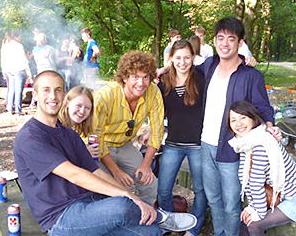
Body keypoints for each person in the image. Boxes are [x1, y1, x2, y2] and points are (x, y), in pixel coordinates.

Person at [14, 70, 197, 236]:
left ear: (64, 94)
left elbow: (95, 170)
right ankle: (160, 216)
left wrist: (128, 193)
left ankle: (156, 220)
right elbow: (75, 174)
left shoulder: (69, 133)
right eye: (46, 90)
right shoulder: (30, 137)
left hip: (89, 203)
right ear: (35, 95)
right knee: (122, 204)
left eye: (58, 90)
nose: (53, 96)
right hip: (61, 218)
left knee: (152, 232)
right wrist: (128, 197)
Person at [195, 17, 281, 236]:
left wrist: (270, 126)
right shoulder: (208, 66)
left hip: (233, 149)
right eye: (220, 38)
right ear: (214, 40)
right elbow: (182, 70)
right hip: (206, 144)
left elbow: (263, 107)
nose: (225, 43)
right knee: (213, 197)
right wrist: (161, 71)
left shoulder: (251, 75)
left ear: (240, 43)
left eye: (231, 39)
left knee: (232, 202)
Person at [227, 101, 296, 235]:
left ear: (253, 118)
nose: (238, 124)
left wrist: (258, 212)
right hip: (282, 195)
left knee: (254, 224)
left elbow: (255, 182)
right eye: (233, 120)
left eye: (243, 118)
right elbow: (245, 179)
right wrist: (251, 207)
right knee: (246, 221)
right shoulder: (245, 143)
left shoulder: (262, 143)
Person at [94, 50, 164, 205]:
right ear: (125, 78)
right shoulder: (105, 96)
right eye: (135, 77)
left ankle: (147, 218)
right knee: (112, 186)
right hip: (99, 148)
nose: (141, 83)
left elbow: (157, 131)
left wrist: (146, 165)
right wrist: (115, 171)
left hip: (124, 144)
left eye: (146, 77)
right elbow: (95, 137)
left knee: (149, 182)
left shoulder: (153, 92)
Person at [157, 40, 207, 236]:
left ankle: (193, 229)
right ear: (171, 59)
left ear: (193, 58)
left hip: (197, 144)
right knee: (163, 189)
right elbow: (158, 113)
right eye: (178, 58)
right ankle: (170, 224)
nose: (183, 62)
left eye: (187, 57)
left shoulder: (201, 78)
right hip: (173, 143)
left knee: (201, 190)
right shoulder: (163, 82)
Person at [58, 86, 100, 158]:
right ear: (67, 103)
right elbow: (58, 159)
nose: (82, 111)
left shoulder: (72, 128)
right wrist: (83, 153)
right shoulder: (57, 126)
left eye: (87, 108)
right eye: (78, 105)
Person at [0, 31, 31, 115]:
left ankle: (10, 108)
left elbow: (3, 60)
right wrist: (28, 72)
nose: (21, 39)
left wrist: (4, 70)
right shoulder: (19, 46)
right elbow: (23, 60)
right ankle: (18, 109)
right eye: (20, 37)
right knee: (18, 91)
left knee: (11, 90)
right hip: (19, 69)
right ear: (16, 37)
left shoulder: (5, 47)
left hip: (9, 70)